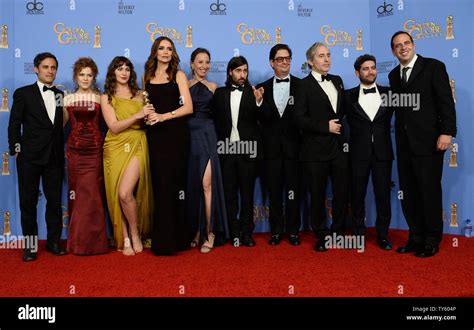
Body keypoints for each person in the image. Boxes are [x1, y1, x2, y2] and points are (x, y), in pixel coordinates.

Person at [388, 31, 457, 257]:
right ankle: (415, 237)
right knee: (409, 193)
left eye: (406, 43)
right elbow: (398, 109)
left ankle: (431, 239)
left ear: (413, 45)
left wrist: (447, 132)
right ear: (393, 51)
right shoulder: (393, 76)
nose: (403, 48)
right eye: (398, 45)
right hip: (404, 144)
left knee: (428, 191)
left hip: (429, 143)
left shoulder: (433, 67)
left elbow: (445, 102)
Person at [8, 52, 66, 261]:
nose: (50, 71)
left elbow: (58, 127)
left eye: (53, 68)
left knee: (53, 202)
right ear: (36, 69)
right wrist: (15, 148)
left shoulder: (60, 95)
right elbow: (14, 123)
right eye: (45, 67)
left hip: (54, 157)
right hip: (29, 157)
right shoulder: (23, 93)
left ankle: (53, 242)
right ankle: (30, 247)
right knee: (28, 202)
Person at [294, 42, 349, 252]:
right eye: (321, 56)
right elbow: (298, 118)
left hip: (338, 148)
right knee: (316, 194)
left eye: (328, 55)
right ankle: (321, 234)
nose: (326, 59)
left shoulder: (337, 81)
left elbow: (342, 111)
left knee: (341, 192)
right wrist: (324, 126)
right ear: (310, 61)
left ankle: (338, 231)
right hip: (314, 149)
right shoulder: (303, 86)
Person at [143, 36, 193, 256]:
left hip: (175, 136)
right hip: (154, 137)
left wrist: (163, 117)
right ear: (155, 51)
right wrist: (149, 117)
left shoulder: (179, 75)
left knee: (175, 186)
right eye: (161, 48)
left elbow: (188, 108)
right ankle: (163, 240)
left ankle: (179, 239)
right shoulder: (147, 77)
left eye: (169, 49)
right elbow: (147, 106)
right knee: (160, 187)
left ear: (173, 53)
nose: (165, 52)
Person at [101, 56, 153, 256]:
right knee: (117, 194)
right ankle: (124, 238)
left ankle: (135, 232)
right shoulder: (106, 97)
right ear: (112, 72)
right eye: (119, 68)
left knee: (125, 192)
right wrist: (137, 116)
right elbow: (113, 127)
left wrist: (150, 116)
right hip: (114, 146)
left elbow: (148, 122)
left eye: (127, 69)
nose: (124, 72)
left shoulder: (141, 95)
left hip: (138, 142)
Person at [212, 56, 264, 247]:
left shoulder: (254, 92)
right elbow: (214, 121)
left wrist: (259, 102)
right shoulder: (219, 93)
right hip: (226, 150)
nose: (242, 75)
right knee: (230, 194)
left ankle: (246, 234)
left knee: (247, 195)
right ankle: (232, 233)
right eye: (238, 71)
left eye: (245, 71)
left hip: (247, 150)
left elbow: (264, 119)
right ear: (230, 72)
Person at [345, 54, 394, 250]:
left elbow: (412, 115)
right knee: (357, 195)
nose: (370, 71)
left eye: (373, 67)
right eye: (365, 68)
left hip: (383, 154)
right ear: (357, 72)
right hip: (357, 154)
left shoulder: (390, 94)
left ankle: (383, 235)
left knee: (383, 195)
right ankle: (358, 233)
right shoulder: (347, 96)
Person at [256, 44, 302, 246]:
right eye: (280, 59)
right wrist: (258, 103)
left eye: (288, 58)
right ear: (272, 63)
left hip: (295, 151)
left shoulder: (303, 86)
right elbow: (259, 119)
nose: (285, 62)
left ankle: (293, 231)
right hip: (271, 151)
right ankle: (276, 232)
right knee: (274, 193)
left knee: (294, 193)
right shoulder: (261, 88)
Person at [63, 57, 108, 255]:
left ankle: (96, 244)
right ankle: (77, 243)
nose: (85, 78)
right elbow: (60, 127)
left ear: (94, 77)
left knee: (93, 196)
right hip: (75, 152)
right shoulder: (66, 99)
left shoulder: (101, 98)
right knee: (78, 196)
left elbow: (109, 124)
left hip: (95, 152)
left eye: (89, 75)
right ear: (75, 76)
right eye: (82, 74)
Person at [186, 48, 228, 253]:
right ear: (192, 64)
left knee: (207, 184)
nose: (204, 66)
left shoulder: (214, 87)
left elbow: (222, 116)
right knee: (193, 185)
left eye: (207, 62)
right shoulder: (183, 86)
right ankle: (196, 231)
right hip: (189, 137)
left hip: (209, 135)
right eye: (200, 62)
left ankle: (210, 232)